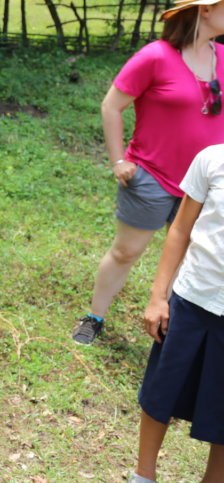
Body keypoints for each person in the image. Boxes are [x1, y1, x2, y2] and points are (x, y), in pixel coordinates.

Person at [72, 0, 224, 345]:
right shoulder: (155, 56)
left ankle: (168, 326)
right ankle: (95, 317)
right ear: (204, 9)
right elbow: (111, 106)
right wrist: (118, 161)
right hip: (154, 175)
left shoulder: (221, 55)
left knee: (190, 257)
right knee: (127, 251)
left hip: (204, 183)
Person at [129, 144, 224, 483]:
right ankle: (143, 475)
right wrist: (158, 296)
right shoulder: (212, 159)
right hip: (192, 299)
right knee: (161, 392)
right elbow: (180, 230)